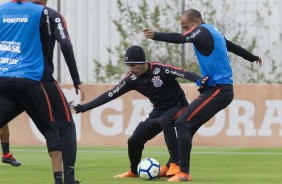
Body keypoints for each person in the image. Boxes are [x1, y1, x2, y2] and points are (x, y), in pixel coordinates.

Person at [143, 9, 262, 182]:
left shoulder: (203, 31)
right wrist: (252, 57)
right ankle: (172, 166)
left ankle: (184, 173)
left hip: (220, 90)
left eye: (186, 26)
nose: (185, 31)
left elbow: (181, 38)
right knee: (186, 127)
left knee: (182, 122)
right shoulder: (214, 32)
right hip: (215, 89)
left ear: (196, 23)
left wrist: (156, 35)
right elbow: (232, 46)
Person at [72, 45, 208, 179]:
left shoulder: (161, 70)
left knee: (165, 120)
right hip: (158, 110)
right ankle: (134, 171)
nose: (131, 69)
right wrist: (83, 108)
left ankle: (175, 164)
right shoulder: (131, 79)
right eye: (129, 65)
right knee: (134, 140)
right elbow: (109, 95)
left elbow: (183, 72)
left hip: (178, 106)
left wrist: (199, 80)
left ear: (143, 62)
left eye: (134, 65)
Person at [0, 0, 85, 183]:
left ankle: (6, 152)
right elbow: (66, 45)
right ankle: (67, 179)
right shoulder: (49, 14)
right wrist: (76, 79)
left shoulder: (3, 10)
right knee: (65, 126)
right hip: (38, 80)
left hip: (4, 78)